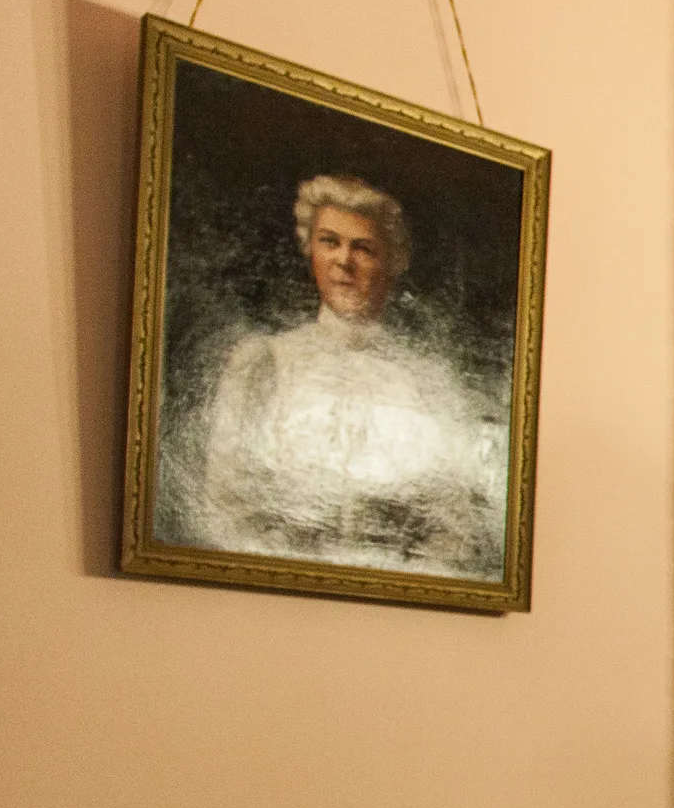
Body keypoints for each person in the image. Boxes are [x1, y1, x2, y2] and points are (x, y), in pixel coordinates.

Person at [190, 173, 507, 577]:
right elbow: (228, 508)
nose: (344, 261)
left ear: (392, 262)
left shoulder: (426, 383)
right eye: (329, 242)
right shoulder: (264, 363)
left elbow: (454, 529)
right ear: (310, 250)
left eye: (364, 248)